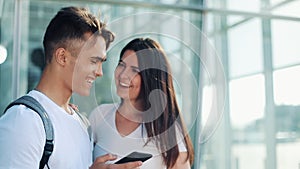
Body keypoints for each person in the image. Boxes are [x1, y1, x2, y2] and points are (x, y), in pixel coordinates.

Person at [0, 6, 142, 169]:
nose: (100, 72)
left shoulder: (81, 123)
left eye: (101, 63)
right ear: (62, 57)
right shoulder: (24, 122)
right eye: (93, 61)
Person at [89, 38, 194, 169]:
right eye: (121, 64)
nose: (123, 75)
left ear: (150, 78)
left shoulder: (167, 130)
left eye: (134, 70)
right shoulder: (99, 116)